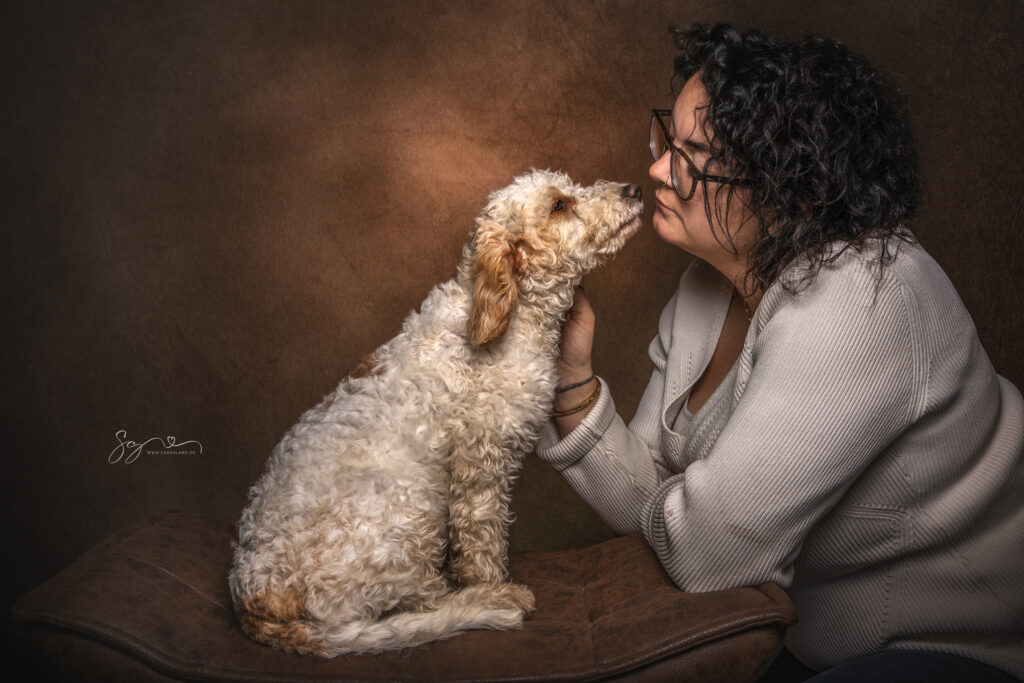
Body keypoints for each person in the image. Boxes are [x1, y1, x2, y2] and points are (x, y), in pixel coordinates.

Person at [535, 23, 1024, 682]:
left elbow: (709, 554)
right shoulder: (705, 285)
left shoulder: (866, 294)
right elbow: (661, 511)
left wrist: (689, 511)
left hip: (960, 649)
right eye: (667, 138)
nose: (656, 168)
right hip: (805, 642)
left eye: (694, 153)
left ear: (796, 189)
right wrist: (571, 382)